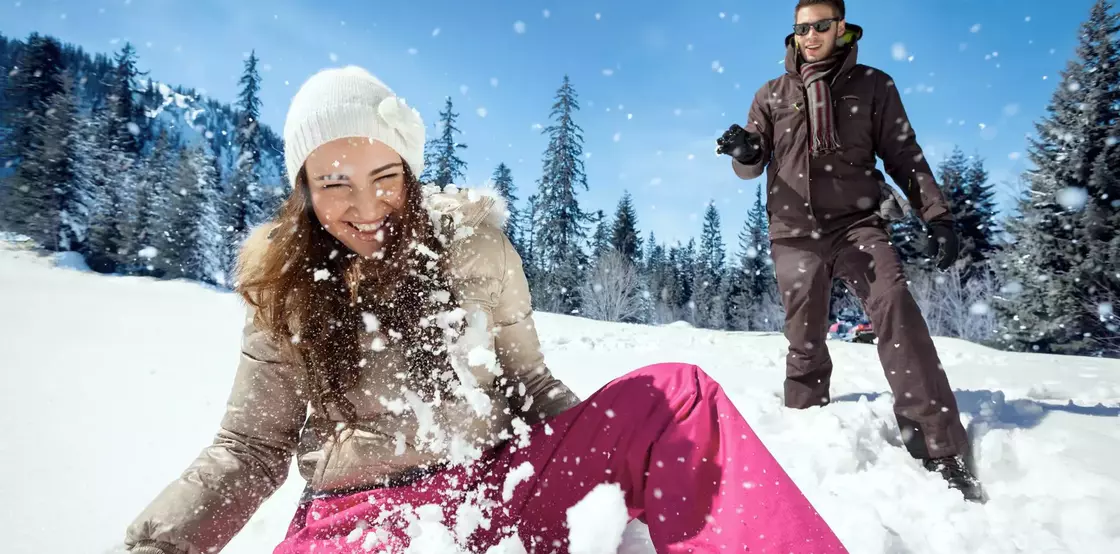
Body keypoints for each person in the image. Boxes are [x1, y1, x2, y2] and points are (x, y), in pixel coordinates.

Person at [123, 66, 849, 554]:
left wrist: (602, 460)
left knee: (676, 396)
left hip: (492, 489)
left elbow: (533, 385)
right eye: (336, 183)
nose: (367, 206)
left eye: (385, 177)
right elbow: (248, 451)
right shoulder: (288, 286)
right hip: (359, 523)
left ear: (409, 170)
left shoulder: (473, 247)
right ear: (304, 187)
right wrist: (161, 544)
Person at [715, 0, 985, 503]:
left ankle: (938, 446)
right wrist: (747, 152)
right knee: (805, 341)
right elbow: (750, 164)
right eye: (801, 29)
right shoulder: (771, 94)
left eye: (820, 26)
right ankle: (804, 434)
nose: (810, 36)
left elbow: (905, 154)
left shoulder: (873, 85)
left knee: (895, 308)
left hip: (859, 224)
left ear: (841, 28)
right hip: (793, 233)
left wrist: (937, 215)